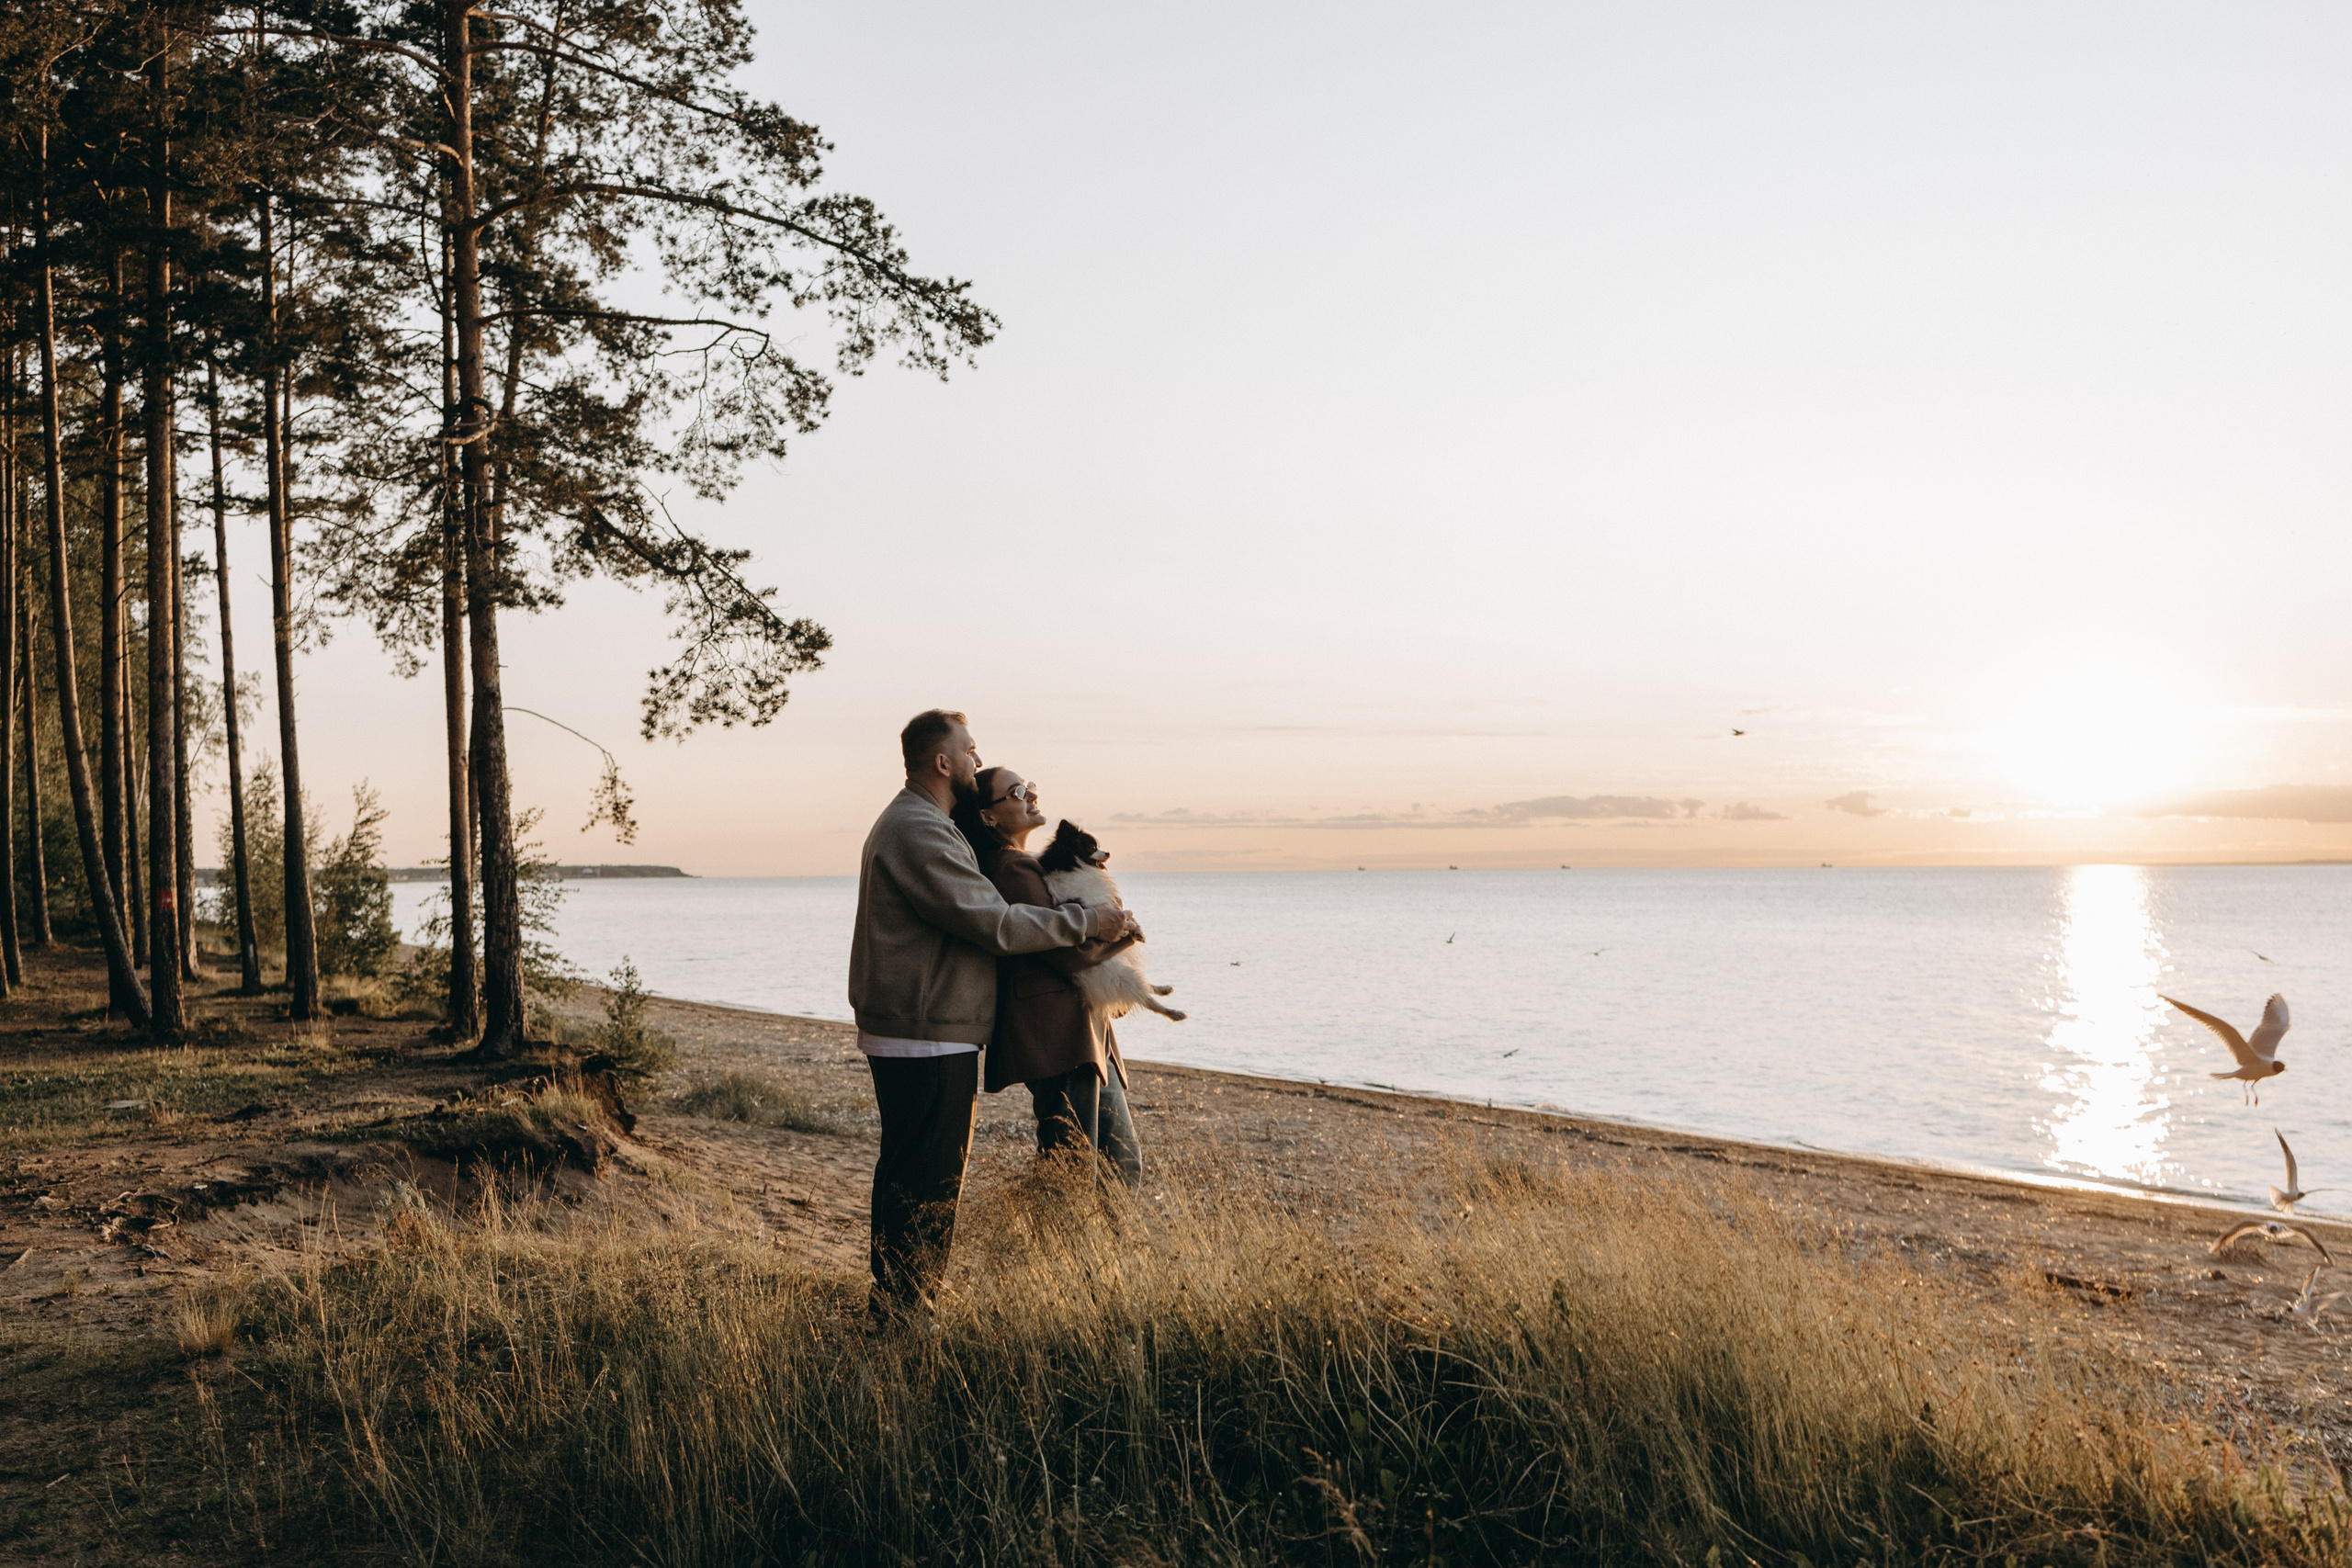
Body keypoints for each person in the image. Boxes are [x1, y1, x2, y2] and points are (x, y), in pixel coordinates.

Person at [848, 709, 1131, 1325]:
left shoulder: (920, 823)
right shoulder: (918, 829)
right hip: (922, 1034)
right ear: (943, 762)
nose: (978, 759)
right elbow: (995, 923)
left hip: (920, 1029)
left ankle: (900, 1302)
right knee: (927, 1179)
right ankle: (904, 1310)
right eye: (970, 750)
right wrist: (1087, 921)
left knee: (912, 1171)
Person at [951, 766, 1145, 1186]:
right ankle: (1059, 1248)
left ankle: (1091, 1252)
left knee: (1114, 1166)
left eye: (1031, 788)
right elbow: (1064, 953)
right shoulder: (1012, 870)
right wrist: (1122, 935)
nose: (1031, 796)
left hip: (1076, 1035)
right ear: (989, 816)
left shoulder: (1029, 868)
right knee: (1076, 1170)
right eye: (1018, 792)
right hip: (1059, 1037)